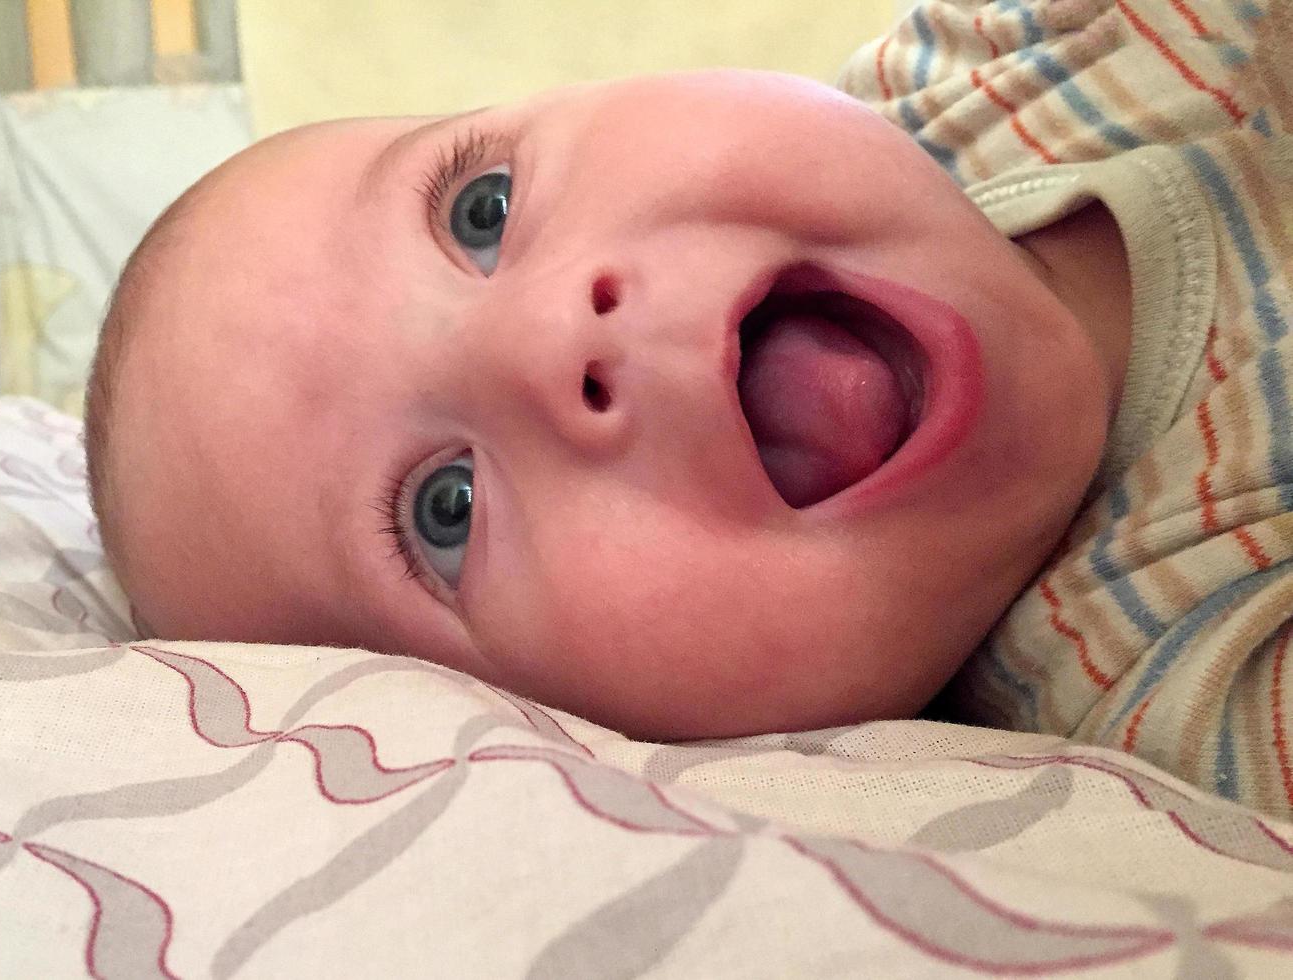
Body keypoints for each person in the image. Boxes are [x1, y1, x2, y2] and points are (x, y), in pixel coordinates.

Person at [84, 0, 1292, 815]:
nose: (551, 339)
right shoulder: (1183, 693)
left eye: (483, 210)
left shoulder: (1003, 58)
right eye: (445, 512)